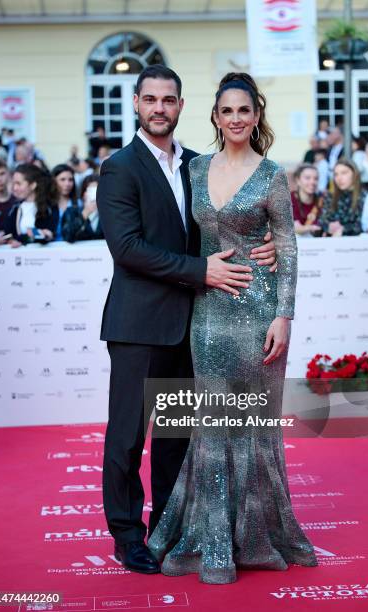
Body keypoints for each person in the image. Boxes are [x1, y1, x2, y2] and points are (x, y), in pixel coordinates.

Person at [97, 64, 277, 576]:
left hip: (191, 325)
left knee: (176, 437)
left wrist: (261, 246)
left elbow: (219, 230)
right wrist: (200, 270)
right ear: (136, 103)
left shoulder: (199, 166)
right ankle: (127, 535)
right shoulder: (120, 168)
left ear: (180, 106)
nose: (159, 108)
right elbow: (128, 248)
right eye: (150, 99)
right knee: (129, 436)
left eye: (168, 100)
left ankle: (166, 528)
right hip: (137, 325)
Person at [148, 72, 317, 583]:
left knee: (256, 428)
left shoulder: (272, 176)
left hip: (259, 313)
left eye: (245, 110)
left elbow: (285, 245)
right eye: (227, 111)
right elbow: (177, 234)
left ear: (257, 115)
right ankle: (213, 538)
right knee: (213, 425)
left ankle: (257, 535)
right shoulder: (194, 170)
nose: (237, 118)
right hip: (207, 315)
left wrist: (284, 315)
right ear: (216, 117)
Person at [4, 163, 58, 245]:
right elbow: (9, 234)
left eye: (19, 183)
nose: (15, 188)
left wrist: (43, 235)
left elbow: (47, 234)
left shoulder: (49, 207)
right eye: (14, 183)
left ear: (33, 185)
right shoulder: (15, 208)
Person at [319, 159, 365, 237]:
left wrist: (343, 229)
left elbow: (364, 224)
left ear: (354, 173)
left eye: (344, 173)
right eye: (336, 174)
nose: (339, 178)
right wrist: (329, 226)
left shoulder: (364, 196)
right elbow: (322, 220)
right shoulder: (330, 196)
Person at [62, 175, 103, 242]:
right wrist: (84, 214)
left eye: (97, 190)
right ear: (83, 194)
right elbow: (67, 236)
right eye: (90, 190)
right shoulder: (71, 211)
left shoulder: (109, 214)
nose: (95, 194)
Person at [290, 164, 323, 236]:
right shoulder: (287, 200)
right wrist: (310, 228)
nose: (312, 182)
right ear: (298, 180)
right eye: (307, 178)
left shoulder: (321, 200)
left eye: (316, 178)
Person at [51, 163, 80, 240]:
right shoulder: (46, 204)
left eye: (70, 180)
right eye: (62, 179)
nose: (67, 184)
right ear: (54, 181)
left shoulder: (79, 203)